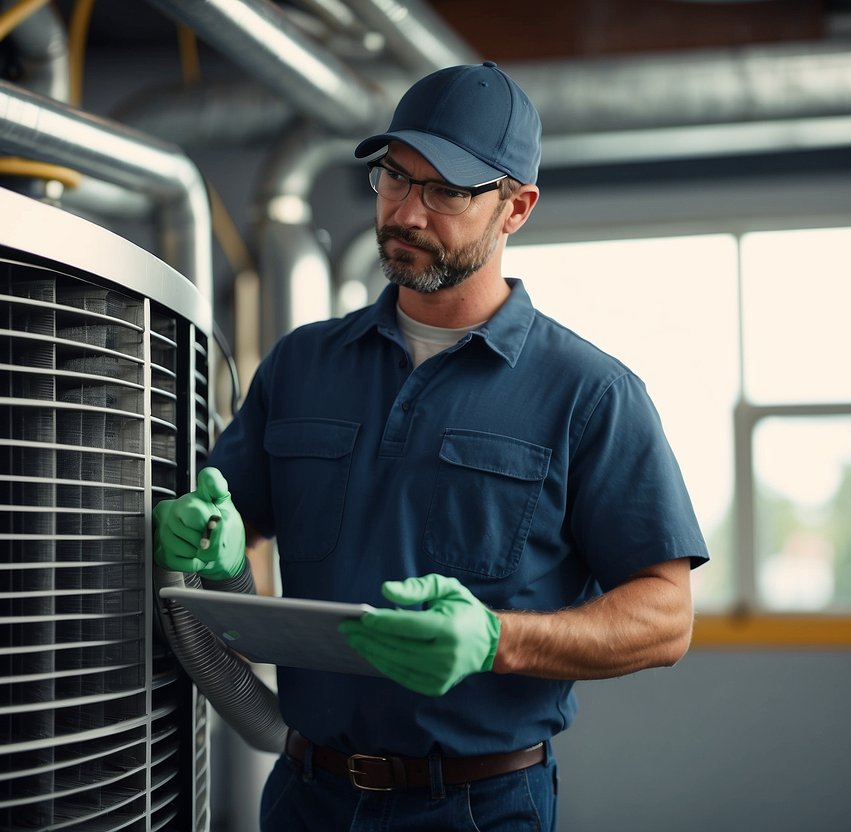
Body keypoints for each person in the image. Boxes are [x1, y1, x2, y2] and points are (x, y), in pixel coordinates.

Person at [153, 61, 709, 832]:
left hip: (478, 806)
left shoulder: (590, 393)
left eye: (446, 191)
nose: (406, 213)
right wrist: (213, 541)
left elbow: (665, 617)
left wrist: (494, 640)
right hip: (302, 793)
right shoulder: (301, 363)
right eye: (394, 177)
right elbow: (234, 518)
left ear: (516, 208)